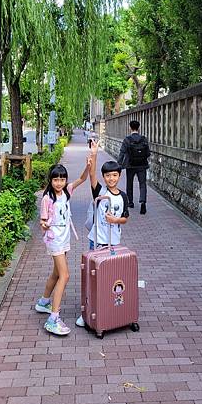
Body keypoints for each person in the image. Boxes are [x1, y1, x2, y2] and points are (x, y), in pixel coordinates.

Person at [76, 139, 130, 327]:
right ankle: (88, 311)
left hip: (114, 243)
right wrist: (94, 153)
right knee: (93, 276)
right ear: (104, 177)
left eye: (114, 175)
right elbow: (91, 174)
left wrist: (115, 220)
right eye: (108, 176)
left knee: (110, 274)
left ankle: (108, 305)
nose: (111, 179)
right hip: (97, 241)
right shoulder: (99, 191)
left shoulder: (123, 196)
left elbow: (125, 218)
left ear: (119, 176)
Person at [36, 161, 89, 336]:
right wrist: (44, 225)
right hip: (54, 239)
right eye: (56, 179)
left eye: (62, 179)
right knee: (65, 275)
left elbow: (82, 178)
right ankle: (53, 319)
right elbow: (43, 221)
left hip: (64, 237)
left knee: (57, 273)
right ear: (50, 180)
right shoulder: (47, 198)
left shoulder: (67, 191)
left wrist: (89, 164)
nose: (59, 183)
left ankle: (43, 302)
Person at [117, 120, 150, 214]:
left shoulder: (127, 139)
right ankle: (143, 202)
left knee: (129, 184)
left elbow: (122, 153)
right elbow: (148, 153)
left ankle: (130, 202)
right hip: (142, 165)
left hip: (130, 165)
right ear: (138, 128)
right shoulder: (144, 139)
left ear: (130, 127)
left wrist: (118, 164)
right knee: (142, 184)